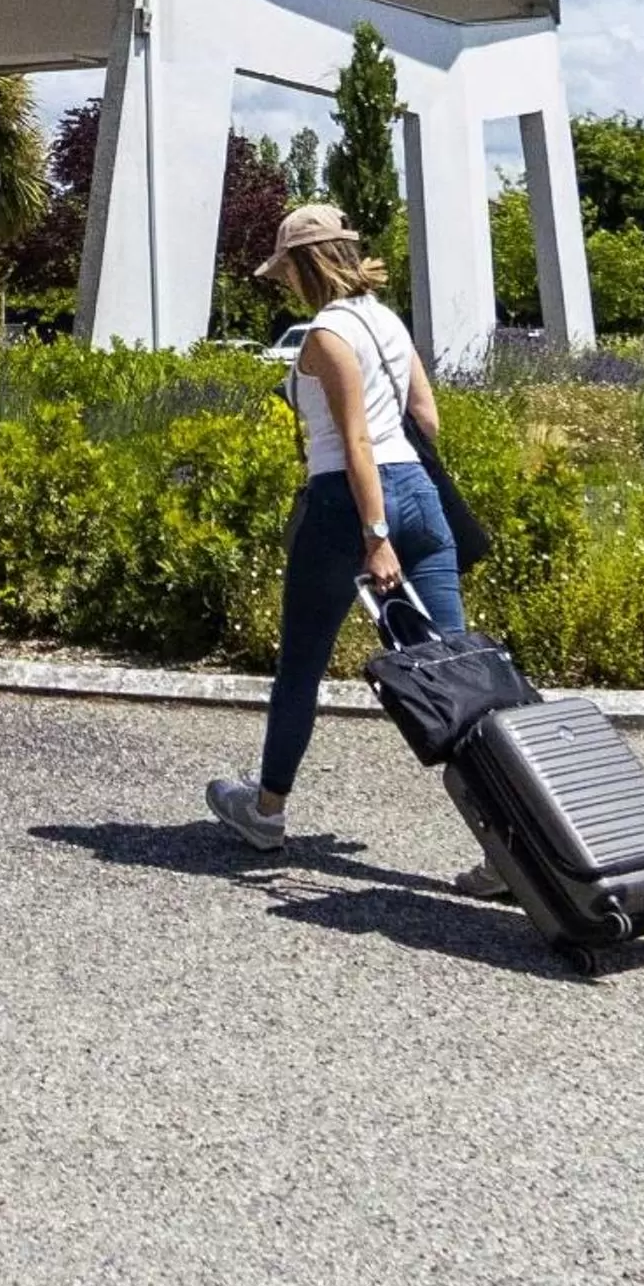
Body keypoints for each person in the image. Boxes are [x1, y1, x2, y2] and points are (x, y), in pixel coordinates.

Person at [205, 201, 504, 898]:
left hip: (346, 504)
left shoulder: (325, 336)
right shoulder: (388, 321)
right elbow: (424, 417)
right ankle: (507, 840)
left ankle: (267, 810)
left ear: (303, 266)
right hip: (420, 495)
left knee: (301, 667)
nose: (281, 283)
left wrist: (375, 536)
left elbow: (355, 440)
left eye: (284, 271)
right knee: (454, 677)